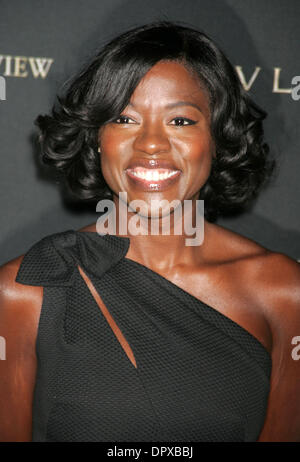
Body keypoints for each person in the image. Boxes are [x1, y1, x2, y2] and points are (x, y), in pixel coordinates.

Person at [1, 21, 300, 443]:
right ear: (97, 137)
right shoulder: (26, 290)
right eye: (125, 118)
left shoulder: (284, 292)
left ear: (217, 137)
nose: (151, 144)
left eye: (180, 120)